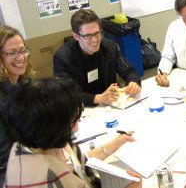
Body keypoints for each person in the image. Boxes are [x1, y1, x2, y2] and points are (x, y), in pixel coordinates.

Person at [4, 78, 142, 187]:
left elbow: (77, 163)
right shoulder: (51, 178)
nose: (76, 127)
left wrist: (117, 142)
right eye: (74, 120)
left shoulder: (34, 142)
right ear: (57, 125)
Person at [53, 9, 141, 107]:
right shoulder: (63, 57)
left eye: (97, 33)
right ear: (76, 36)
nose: (95, 39)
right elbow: (66, 95)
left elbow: (129, 71)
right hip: (82, 109)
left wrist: (133, 82)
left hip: (111, 104)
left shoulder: (110, 47)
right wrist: (98, 98)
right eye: (88, 36)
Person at [0, 25, 34, 187]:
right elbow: (5, 155)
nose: (20, 57)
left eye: (22, 50)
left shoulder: (25, 82)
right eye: (12, 53)